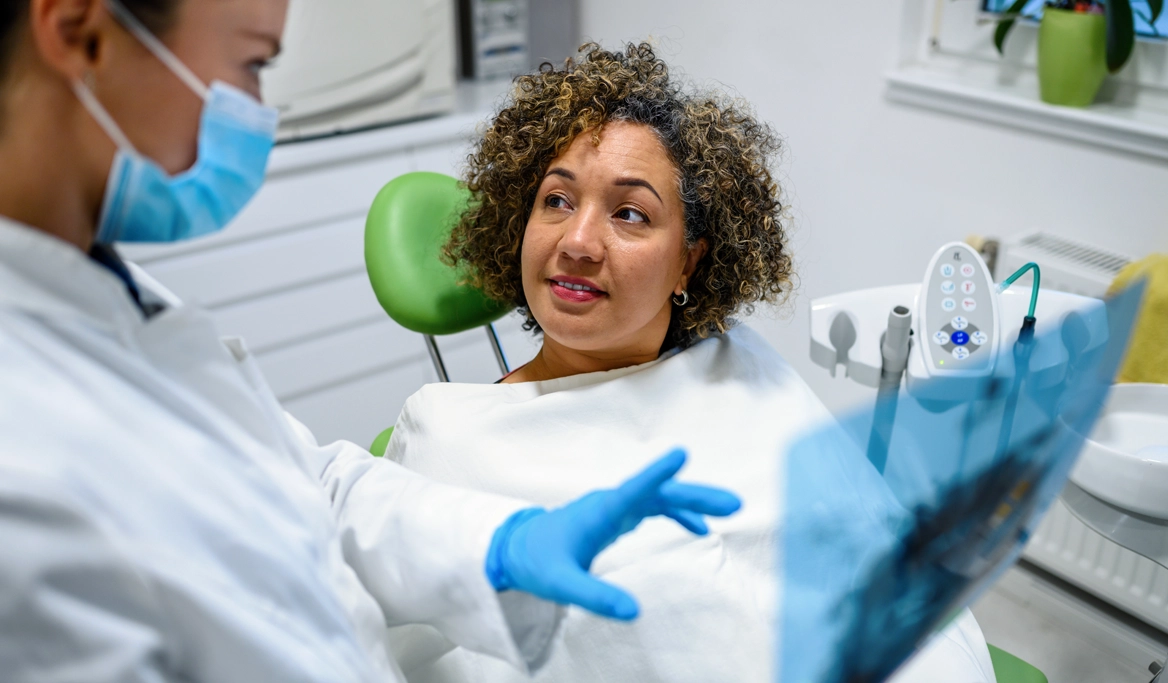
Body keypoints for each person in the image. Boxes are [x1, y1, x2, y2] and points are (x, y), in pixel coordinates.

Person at [0, 2, 745, 681]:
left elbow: (309, 484)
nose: (259, 112)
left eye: (631, 214)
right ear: (78, 32)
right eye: (252, 64)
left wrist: (503, 545)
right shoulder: (24, 462)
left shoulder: (106, 291)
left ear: (692, 259)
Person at [383, 44, 998, 682]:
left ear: (689, 261)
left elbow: (877, 558)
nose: (578, 242)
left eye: (630, 214)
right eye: (557, 201)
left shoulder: (739, 365)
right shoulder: (449, 439)